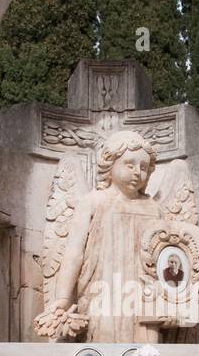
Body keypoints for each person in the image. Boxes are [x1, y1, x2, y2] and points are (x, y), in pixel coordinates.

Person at [50, 129, 159, 341]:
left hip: (145, 299)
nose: (138, 172)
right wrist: (63, 297)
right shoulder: (93, 201)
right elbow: (74, 253)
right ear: (110, 165)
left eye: (144, 167)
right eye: (130, 164)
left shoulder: (154, 209)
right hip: (102, 294)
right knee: (102, 350)